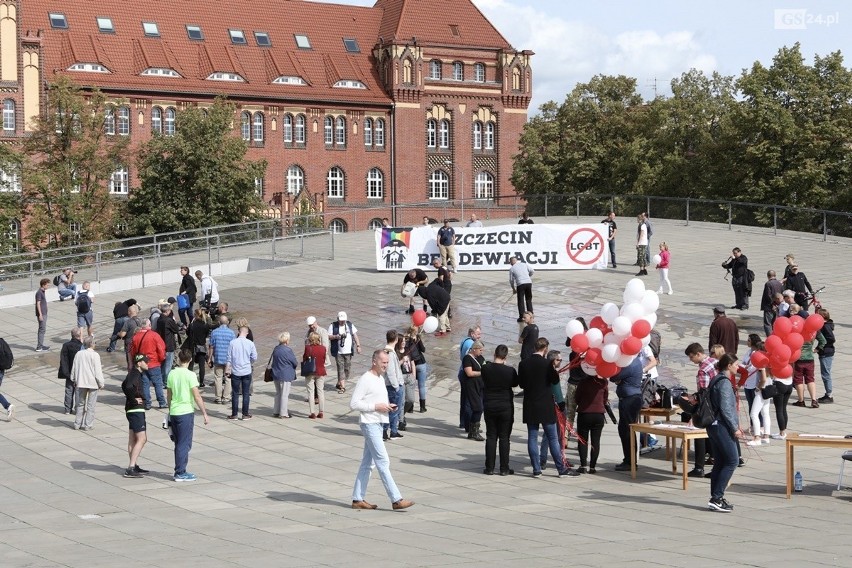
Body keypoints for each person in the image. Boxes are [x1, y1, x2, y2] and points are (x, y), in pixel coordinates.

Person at [349, 349, 414, 511]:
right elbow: (354, 403)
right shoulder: (366, 378)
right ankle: (396, 499)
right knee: (383, 461)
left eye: (387, 362)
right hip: (369, 424)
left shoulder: (379, 378)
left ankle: (357, 499)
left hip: (378, 423)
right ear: (374, 361)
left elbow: (376, 400)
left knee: (368, 463)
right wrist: (376, 406)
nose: (386, 365)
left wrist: (386, 407)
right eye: (383, 362)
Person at [518, 337, 578, 478]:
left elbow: (521, 384)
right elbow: (555, 380)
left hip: (530, 404)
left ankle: (536, 469)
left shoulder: (524, 363)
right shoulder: (547, 364)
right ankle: (560, 468)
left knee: (532, 437)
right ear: (545, 349)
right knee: (552, 437)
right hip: (545, 404)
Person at [706, 354, 745, 513]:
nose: (738, 367)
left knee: (720, 462)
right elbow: (726, 408)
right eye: (736, 365)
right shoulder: (724, 383)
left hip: (714, 425)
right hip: (721, 426)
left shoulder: (716, 379)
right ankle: (717, 497)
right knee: (732, 461)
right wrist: (735, 427)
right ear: (728, 365)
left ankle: (716, 498)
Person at [167, 349, 209, 482]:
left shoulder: (172, 374)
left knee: (179, 442)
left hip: (174, 411)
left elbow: (169, 394)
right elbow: (196, 396)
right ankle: (179, 472)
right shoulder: (190, 375)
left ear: (179, 359)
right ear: (190, 360)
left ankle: (181, 469)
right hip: (185, 411)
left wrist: (170, 408)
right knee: (184, 443)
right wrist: (204, 413)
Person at [482, 344, 518, 475]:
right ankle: (504, 468)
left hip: (490, 405)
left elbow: (484, 379)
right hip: (505, 406)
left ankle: (489, 467)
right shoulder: (510, 371)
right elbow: (515, 383)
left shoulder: (486, 368)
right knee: (504, 437)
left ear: (494, 354)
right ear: (506, 357)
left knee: (491, 436)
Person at [684, 343, 718, 476]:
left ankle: (699, 467)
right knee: (714, 435)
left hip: (708, 406)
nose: (690, 360)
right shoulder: (715, 361)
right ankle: (715, 464)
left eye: (691, 357)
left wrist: (694, 402)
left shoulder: (703, 369)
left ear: (698, 354)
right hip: (718, 403)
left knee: (699, 433)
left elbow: (704, 392)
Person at [610, 357, 643, 472]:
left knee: (627, 431)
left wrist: (618, 379)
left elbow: (613, 376)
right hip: (630, 398)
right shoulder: (635, 361)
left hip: (630, 400)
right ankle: (629, 460)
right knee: (626, 430)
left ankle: (630, 461)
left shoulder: (630, 363)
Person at [574, 372, 608, 474]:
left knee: (583, 440)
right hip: (599, 414)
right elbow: (605, 399)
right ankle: (592, 467)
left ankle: (583, 465)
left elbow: (577, 398)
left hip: (584, 413)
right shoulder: (603, 382)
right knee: (596, 441)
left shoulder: (583, 382)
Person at [122, 354, 150, 478]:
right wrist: (134, 400)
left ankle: (134, 465)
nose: (147, 364)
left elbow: (123, 385)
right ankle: (131, 467)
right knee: (142, 439)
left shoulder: (134, 373)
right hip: (135, 410)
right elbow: (127, 387)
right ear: (139, 363)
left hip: (132, 410)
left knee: (133, 439)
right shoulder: (135, 374)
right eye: (145, 362)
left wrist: (131, 399)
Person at [131, 318, 167, 410]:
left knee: (145, 384)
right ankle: (162, 402)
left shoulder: (136, 337)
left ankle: (147, 403)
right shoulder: (154, 335)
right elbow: (161, 348)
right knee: (158, 384)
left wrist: (135, 363)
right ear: (149, 325)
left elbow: (133, 352)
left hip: (142, 364)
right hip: (154, 363)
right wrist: (161, 359)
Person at [70, 336, 105, 430]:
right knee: (91, 405)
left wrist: (73, 378)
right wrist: (101, 383)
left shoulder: (79, 354)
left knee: (80, 404)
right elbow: (98, 371)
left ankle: (77, 423)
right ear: (91, 344)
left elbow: (74, 367)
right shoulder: (95, 355)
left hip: (81, 382)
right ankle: (88, 424)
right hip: (92, 383)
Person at [226, 324, 257, 420]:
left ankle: (234, 414)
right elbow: (254, 357)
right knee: (246, 393)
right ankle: (245, 414)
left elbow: (229, 358)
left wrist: (228, 369)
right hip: (246, 370)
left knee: (235, 393)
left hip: (235, 371)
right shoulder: (250, 343)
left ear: (238, 332)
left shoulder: (232, 343)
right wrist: (249, 362)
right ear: (247, 333)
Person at [329, 311, 361, 393]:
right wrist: (336, 336)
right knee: (340, 368)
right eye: (341, 320)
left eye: (344, 320)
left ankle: (339, 382)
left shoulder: (350, 325)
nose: (342, 321)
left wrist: (358, 345)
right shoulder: (333, 325)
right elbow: (328, 336)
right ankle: (343, 387)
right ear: (337, 319)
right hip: (338, 352)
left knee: (347, 369)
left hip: (348, 351)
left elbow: (355, 335)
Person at [792, 330, 825, 408]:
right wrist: (817, 349)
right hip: (810, 358)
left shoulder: (797, 330)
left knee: (798, 380)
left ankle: (801, 401)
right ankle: (813, 400)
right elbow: (823, 341)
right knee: (810, 379)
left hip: (798, 358)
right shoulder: (813, 330)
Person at [462, 340, 486, 442]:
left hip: (480, 387)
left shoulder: (480, 358)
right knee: (478, 408)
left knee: (480, 407)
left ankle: (473, 429)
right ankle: (473, 431)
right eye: (480, 350)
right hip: (471, 386)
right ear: (474, 349)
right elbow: (469, 373)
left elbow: (485, 365)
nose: (481, 352)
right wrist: (482, 373)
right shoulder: (467, 358)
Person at [382, 329, 405, 440]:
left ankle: (393, 431)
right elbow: (391, 372)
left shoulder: (387, 351)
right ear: (396, 339)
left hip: (391, 385)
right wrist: (396, 386)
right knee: (393, 409)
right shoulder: (390, 353)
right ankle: (385, 430)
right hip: (393, 386)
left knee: (395, 409)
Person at [457, 326, 480, 431]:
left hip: (461, 371)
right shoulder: (471, 344)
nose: (479, 336)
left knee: (464, 399)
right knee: (468, 401)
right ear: (472, 333)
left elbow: (461, 357)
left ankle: (462, 422)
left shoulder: (464, 340)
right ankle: (469, 425)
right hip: (466, 373)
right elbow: (468, 359)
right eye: (478, 334)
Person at [270, 332, 298, 419]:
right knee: (285, 394)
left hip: (276, 373)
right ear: (286, 340)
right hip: (285, 374)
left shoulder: (276, 349)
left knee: (278, 393)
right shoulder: (288, 350)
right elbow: (294, 362)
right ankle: (283, 413)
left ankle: (276, 411)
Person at [208, 314, 234, 402]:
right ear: (227, 322)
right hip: (228, 359)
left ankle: (218, 397)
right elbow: (233, 347)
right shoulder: (231, 333)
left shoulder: (214, 332)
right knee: (228, 378)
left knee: (218, 378)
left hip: (218, 358)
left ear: (219, 322)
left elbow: (211, 346)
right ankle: (226, 397)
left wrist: (209, 358)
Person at [58, 327, 84, 414]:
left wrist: (65, 372)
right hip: (78, 372)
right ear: (79, 335)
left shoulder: (66, 345)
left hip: (68, 372)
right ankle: (77, 409)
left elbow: (63, 359)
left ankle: (67, 409)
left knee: (69, 391)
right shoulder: (81, 346)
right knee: (78, 391)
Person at [303, 332, 328, 419]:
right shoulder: (323, 348)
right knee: (320, 391)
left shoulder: (308, 348)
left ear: (310, 339)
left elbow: (305, 358)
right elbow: (324, 359)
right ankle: (321, 411)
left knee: (311, 392)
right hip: (321, 371)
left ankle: (312, 412)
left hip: (310, 372)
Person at [404, 326, 429, 412]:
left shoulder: (406, 340)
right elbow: (423, 349)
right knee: (421, 386)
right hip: (421, 363)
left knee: (411, 386)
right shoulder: (417, 338)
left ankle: (410, 407)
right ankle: (422, 407)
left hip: (411, 364)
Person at [746, 365, 772, 447]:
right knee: (765, 413)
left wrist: (758, 387)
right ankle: (766, 436)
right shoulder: (769, 362)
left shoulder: (762, 364)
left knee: (753, 414)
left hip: (761, 391)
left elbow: (763, 379)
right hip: (768, 390)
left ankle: (757, 438)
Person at [156, 303, 182, 380]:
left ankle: (161, 379)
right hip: (169, 345)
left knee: (163, 364)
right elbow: (176, 329)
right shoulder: (168, 320)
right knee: (168, 364)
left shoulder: (159, 319)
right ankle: (165, 381)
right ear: (167, 311)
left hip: (161, 344)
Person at [816, 308, 835, 404]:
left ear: (822, 317)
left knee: (826, 374)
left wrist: (821, 347)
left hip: (826, 352)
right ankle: (828, 393)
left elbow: (831, 339)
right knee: (825, 373)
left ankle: (829, 395)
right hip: (826, 352)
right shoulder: (826, 325)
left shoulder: (825, 326)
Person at [508, 256, 533, 322]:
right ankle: (530, 315)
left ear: (511, 262)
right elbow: (532, 271)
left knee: (521, 301)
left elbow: (511, 280)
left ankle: (522, 316)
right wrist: (528, 276)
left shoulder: (512, 269)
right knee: (528, 299)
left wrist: (513, 289)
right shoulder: (524, 264)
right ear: (516, 260)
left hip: (520, 284)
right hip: (528, 282)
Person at [117, 305, 142, 371]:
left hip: (130, 345)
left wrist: (118, 333)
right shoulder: (140, 320)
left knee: (130, 362)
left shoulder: (128, 322)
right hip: (140, 343)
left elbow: (122, 334)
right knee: (139, 360)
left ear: (130, 312)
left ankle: (131, 377)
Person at [760, 271, 784, 336]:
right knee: (774, 322)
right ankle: (775, 336)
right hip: (778, 306)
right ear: (775, 275)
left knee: (768, 324)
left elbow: (768, 295)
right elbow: (782, 294)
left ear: (768, 276)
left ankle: (770, 338)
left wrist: (773, 304)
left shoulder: (768, 284)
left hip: (769, 306)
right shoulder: (779, 283)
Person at [35, 278, 50, 352]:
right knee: (42, 329)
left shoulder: (42, 291)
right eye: (47, 285)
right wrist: (40, 314)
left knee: (42, 329)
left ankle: (41, 344)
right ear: (43, 285)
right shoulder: (39, 292)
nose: (48, 286)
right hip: (42, 314)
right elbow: (38, 304)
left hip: (44, 313)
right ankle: (39, 347)